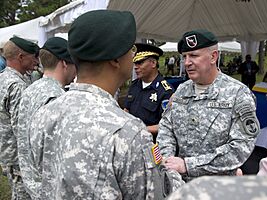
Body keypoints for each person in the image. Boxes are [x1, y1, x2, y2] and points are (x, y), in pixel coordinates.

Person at [27, 10, 183, 199]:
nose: (134, 59)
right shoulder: (129, 133)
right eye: (131, 51)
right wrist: (171, 171)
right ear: (116, 59)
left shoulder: (44, 113)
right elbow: (157, 194)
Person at [157, 29, 260, 182]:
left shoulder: (238, 93)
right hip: (178, 182)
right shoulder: (182, 90)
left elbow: (240, 148)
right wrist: (168, 159)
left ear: (213, 57)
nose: (186, 62)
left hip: (218, 187)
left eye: (194, 55)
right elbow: (166, 127)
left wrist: (188, 165)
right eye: (184, 56)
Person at [17, 37, 76, 199]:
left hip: (31, 181)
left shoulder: (31, 89)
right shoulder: (56, 98)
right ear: (64, 64)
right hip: (48, 189)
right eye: (74, 65)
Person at [0, 36, 39, 199]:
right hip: (19, 157)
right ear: (21, 57)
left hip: (8, 152)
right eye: (33, 56)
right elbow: (21, 129)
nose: (36, 61)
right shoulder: (17, 86)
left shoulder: (3, 78)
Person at [124, 43, 174, 140]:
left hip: (152, 145)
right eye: (135, 63)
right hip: (132, 141)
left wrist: (140, 130)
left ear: (153, 63)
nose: (135, 67)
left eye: (140, 63)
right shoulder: (134, 85)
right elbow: (126, 110)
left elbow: (167, 125)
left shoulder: (165, 91)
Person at [167, 175, 267, 200]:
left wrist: (189, 164)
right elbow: (168, 126)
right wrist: (169, 161)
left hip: (222, 179)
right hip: (176, 175)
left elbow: (239, 147)